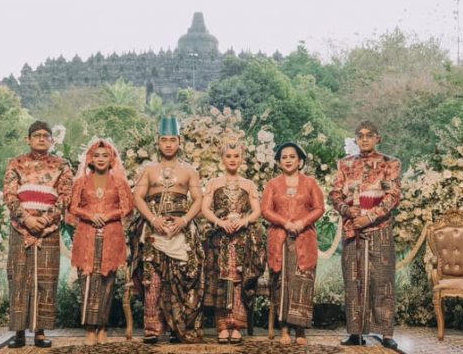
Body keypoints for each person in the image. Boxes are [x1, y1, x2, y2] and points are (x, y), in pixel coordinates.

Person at [129, 116, 205, 344]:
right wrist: (153, 219)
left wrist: (184, 222)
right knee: (153, 279)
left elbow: (199, 199)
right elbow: (138, 197)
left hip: (182, 231)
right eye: (164, 140)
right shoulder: (149, 170)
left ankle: (177, 328)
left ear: (179, 141)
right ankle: (153, 329)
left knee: (182, 277)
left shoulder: (189, 171)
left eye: (173, 140)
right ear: (158, 142)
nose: (169, 144)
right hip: (155, 231)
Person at [330, 120, 401, 350]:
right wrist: (347, 211)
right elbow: (335, 195)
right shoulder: (344, 164)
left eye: (369, 135)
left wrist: (369, 217)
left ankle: (386, 333)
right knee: (353, 282)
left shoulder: (390, 163)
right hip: (353, 231)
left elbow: (393, 197)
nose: (364, 139)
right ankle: (355, 332)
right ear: (356, 139)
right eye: (360, 136)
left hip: (379, 230)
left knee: (383, 282)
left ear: (378, 138)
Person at [3, 121, 73, 349]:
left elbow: (65, 196)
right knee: (19, 278)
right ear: (28, 139)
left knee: (45, 280)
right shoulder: (16, 163)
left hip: (48, 229)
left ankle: (40, 332)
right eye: (37, 135)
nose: (41, 139)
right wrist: (27, 219)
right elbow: (10, 195)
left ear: (52, 140)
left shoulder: (62, 165)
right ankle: (19, 332)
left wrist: (44, 220)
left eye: (46, 135)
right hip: (20, 228)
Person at [66, 138, 134, 345]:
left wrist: (109, 215)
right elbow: (72, 207)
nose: (101, 159)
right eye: (97, 155)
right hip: (86, 234)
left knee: (107, 282)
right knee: (87, 280)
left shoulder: (119, 182)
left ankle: (103, 327)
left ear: (112, 158)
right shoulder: (81, 182)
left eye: (105, 155)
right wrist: (89, 215)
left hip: (112, 234)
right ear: (90, 159)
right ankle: (89, 329)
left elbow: (127, 207)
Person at [201, 136, 266, 344]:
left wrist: (245, 221)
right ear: (222, 158)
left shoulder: (248, 184)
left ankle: (237, 326)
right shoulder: (213, 183)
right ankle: (222, 326)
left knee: (239, 279)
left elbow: (257, 211)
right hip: (220, 241)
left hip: (242, 241)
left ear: (242, 158)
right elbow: (204, 209)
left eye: (236, 156)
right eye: (228, 156)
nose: (232, 159)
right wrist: (220, 223)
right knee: (221, 279)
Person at [261, 142, 325, 345]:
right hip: (279, 238)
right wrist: (286, 223)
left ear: (300, 161)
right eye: (284, 157)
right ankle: (285, 329)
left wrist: (301, 223)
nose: (288, 160)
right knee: (281, 282)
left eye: (292, 157)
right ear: (279, 162)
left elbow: (319, 208)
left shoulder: (310, 183)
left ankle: (300, 330)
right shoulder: (272, 184)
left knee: (302, 281)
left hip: (304, 238)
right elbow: (265, 210)